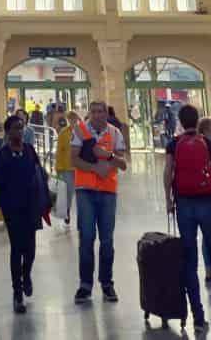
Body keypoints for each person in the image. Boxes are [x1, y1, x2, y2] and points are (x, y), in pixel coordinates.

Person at [168, 103, 211, 329]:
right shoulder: (207, 143)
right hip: (208, 201)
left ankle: (198, 317)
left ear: (180, 122)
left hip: (184, 204)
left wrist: (168, 199)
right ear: (196, 121)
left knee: (189, 260)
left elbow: (168, 173)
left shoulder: (174, 144)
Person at [0, 113, 51, 314]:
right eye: (16, 128)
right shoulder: (3, 154)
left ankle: (27, 274)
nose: (20, 131)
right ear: (8, 132)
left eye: (21, 127)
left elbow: (40, 174)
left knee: (30, 249)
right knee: (17, 248)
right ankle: (17, 292)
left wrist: (46, 200)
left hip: (31, 205)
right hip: (11, 208)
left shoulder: (30, 150)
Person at [72, 98, 128, 304]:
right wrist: (95, 168)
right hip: (85, 190)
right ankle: (85, 285)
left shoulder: (115, 133)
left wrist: (107, 155)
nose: (97, 115)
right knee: (86, 237)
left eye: (100, 111)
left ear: (106, 113)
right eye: (93, 111)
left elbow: (123, 163)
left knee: (107, 239)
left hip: (107, 192)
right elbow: (73, 159)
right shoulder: (80, 131)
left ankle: (107, 283)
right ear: (89, 113)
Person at [48, 100, 74, 228]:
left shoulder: (81, 133)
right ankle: (66, 210)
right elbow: (59, 152)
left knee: (75, 192)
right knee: (67, 192)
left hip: (80, 168)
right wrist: (58, 168)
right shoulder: (65, 133)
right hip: (67, 168)